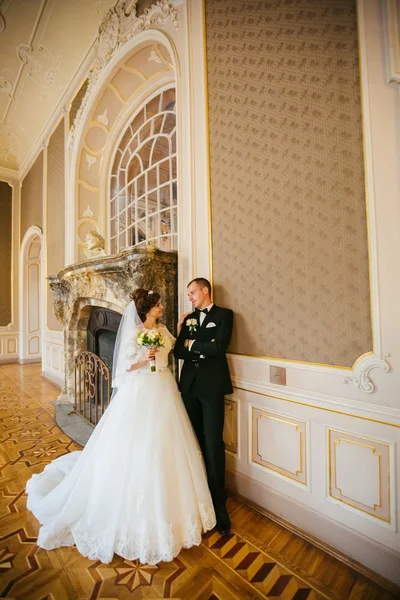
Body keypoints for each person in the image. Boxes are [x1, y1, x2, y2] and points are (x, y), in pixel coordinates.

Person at [26, 289, 216, 565]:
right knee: (139, 444)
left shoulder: (161, 328)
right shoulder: (134, 332)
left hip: (164, 388)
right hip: (141, 390)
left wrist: (178, 328)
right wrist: (145, 357)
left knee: (167, 443)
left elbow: (173, 347)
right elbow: (124, 366)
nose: (162, 307)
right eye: (159, 304)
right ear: (148, 309)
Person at [174, 278, 233, 535]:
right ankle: (199, 497)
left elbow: (219, 347)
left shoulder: (225, 315)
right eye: (188, 294)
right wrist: (197, 347)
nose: (190, 297)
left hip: (212, 388)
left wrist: (193, 346)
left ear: (205, 290)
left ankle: (219, 503)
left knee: (213, 443)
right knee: (194, 441)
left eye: (192, 292)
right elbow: (178, 350)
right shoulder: (188, 319)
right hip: (189, 388)